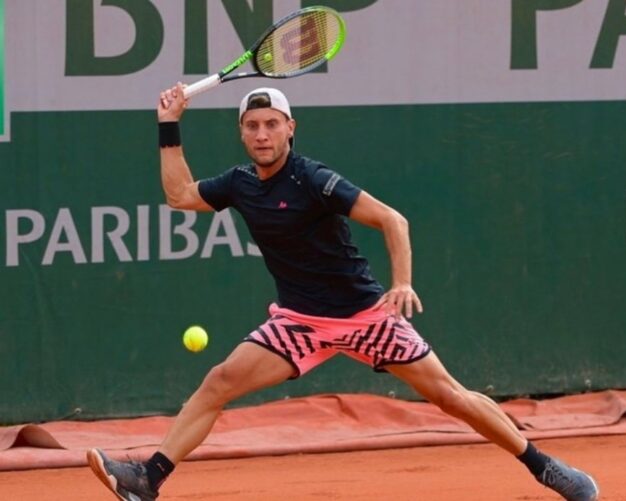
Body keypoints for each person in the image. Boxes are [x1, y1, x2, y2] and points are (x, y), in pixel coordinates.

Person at [86, 84, 599, 501]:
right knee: (218, 381)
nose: (262, 134)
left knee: (450, 396)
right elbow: (179, 195)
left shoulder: (313, 179)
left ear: (290, 128)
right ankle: (148, 479)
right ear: (241, 132)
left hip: (364, 316)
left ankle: (545, 466)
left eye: (272, 124)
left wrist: (401, 283)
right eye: (252, 125)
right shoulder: (240, 184)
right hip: (299, 322)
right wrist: (169, 123)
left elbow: (392, 220)